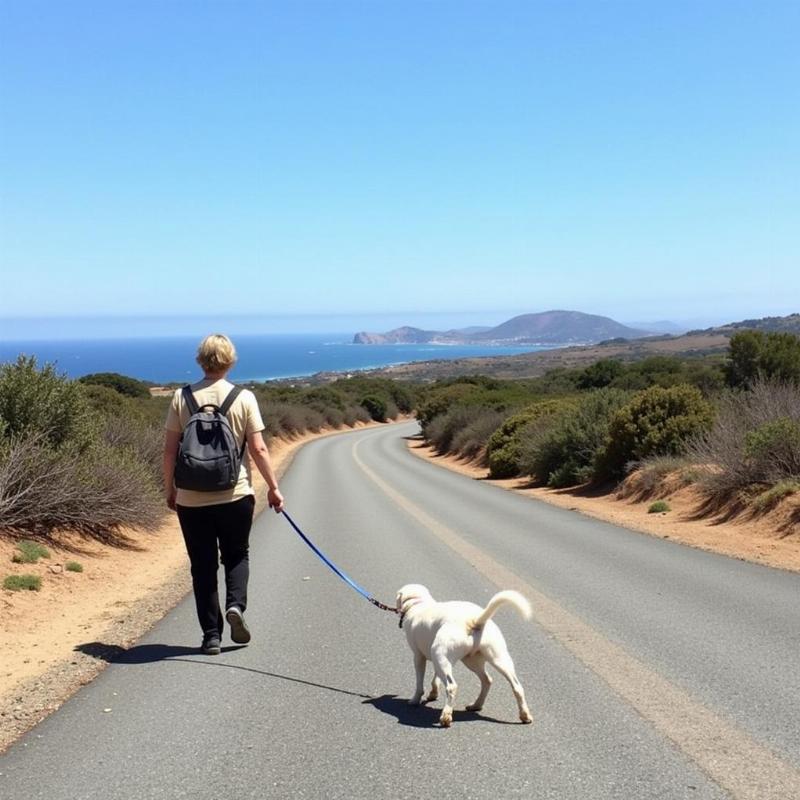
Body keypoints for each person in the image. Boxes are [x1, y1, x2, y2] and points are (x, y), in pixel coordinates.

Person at [163, 333, 284, 654]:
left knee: (202, 566)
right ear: (231, 360)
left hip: (191, 498)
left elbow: (169, 451)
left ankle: (211, 636)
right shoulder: (244, 398)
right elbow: (258, 448)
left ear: (200, 360)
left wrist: (170, 489)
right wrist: (273, 488)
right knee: (236, 555)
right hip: (235, 495)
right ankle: (236, 607)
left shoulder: (181, 397)